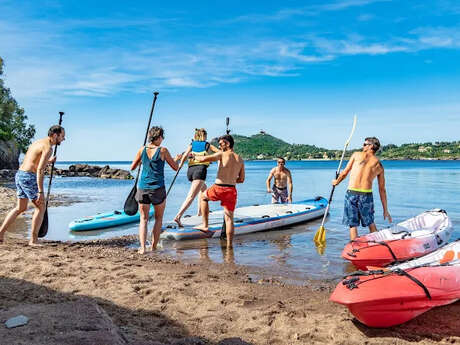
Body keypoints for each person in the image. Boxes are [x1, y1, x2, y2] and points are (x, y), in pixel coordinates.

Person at [0, 125, 65, 246]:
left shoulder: (38, 142)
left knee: (20, 208)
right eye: (62, 136)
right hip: (29, 177)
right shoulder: (48, 148)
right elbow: (40, 170)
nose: (63, 139)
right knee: (41, 207)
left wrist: (49, 161)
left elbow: (33, 160)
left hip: (20, 174)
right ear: (55, 135)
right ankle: (33, 240)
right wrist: (40, 191)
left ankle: (0, 233)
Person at [130, 126, 180, 254]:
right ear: (158, 137)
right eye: (162, 137)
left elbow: (132, 167)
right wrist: (178, 159)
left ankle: (142, 248)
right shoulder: (163, 150)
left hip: (143, 188)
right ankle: (153, 247)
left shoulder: (142, 149)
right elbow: (175, 167)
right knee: (158, 218)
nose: (163, 139)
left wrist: (142, 160)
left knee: (143, 219)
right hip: (158, 188)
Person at [332, 137, 392, 240]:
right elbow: (382, 189)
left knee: (353, 224)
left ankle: (355, 248)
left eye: (365, 144)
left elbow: (345, 172)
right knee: (370, 222)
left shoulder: (356, 155)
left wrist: (336, 182)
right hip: (366, 195)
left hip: (352, 194)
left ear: (371, 146)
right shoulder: (379, 165)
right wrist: (385, 209)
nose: (362, 146)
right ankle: (378, 243)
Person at [192, 134, 245, 247]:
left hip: (219, 188)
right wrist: (230, 179)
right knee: (229, 218)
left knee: (203, 197)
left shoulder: (222, 154)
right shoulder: (240, 159)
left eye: (221, 144)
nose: (220, 146)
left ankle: (205, 225)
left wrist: (194, 156)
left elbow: (203, 159)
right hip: (231, 190)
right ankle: (229, 245)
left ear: (227, 143)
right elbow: (241, 180)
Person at [173, 128, 219, 227]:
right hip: (200, 171)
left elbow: (185, 155)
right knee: (191, 196)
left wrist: (180, 164)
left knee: (203, 189)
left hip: (190, 171)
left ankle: (200, 212)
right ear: (204, 136)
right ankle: (178, 216)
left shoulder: (192, 144)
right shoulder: (207, 145)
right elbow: (219, 153)